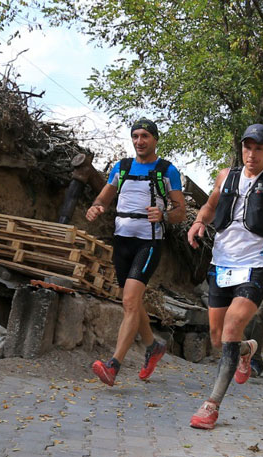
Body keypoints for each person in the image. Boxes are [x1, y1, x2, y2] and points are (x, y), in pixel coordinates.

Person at [186, 124, 263, 429]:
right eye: (247, 147)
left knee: (233, 325)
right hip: (221, 264)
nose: (251, 154)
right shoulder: (226, 176)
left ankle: (211, 405)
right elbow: (211, 206)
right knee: (218, 339)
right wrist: (199, 222)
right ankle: (247, 349)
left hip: (256, 265)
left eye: (259, 148)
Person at [86, 119, 186, 386]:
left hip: (149, 242)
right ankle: (153, 346)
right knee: (132, 301)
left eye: (145, 136)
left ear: (155, 139)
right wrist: (96, 207)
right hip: (122, 241)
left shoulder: (167, 170)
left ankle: (113, 365)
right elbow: (103, 198)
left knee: (130, 302)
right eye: (135, 136)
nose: (139, 141)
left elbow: (181, 212)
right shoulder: (122, 167)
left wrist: (163, 214)